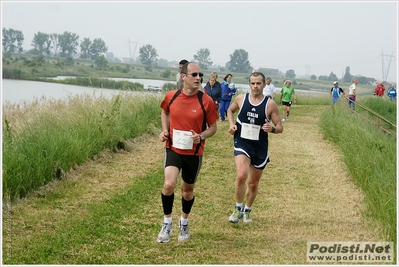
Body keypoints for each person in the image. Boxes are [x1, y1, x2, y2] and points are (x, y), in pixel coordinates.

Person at [157, 62, 218, 243]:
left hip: (194, 152)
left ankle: (184, 222)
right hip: (173, 148)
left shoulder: (205, 101)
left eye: (200, 75)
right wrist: (165, 130)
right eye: (194, 75)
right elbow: (164, 112)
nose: (198, 78)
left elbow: (213, 127)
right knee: (169, 185)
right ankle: (167, 222)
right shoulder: (171, 96)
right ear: (184, 76)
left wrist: (201, 135)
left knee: (187, 191)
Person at [226, 71, 283, 224]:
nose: (255, 86)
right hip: (242, 143)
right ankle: (237, 209)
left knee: (253, 183)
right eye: (253, 83)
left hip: (259, 147)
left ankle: (248, 210)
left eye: (258, 83)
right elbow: (230, 110)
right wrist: (232, 125)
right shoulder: (241, 99)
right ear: (249, 84)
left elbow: (280, 127)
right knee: (241, 175)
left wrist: (271, 129)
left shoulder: (270, 104)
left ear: (264, 85)